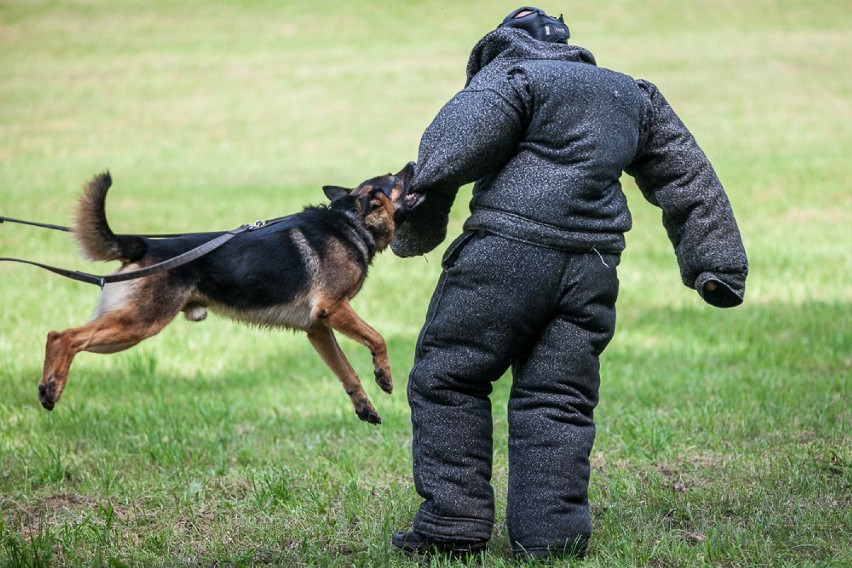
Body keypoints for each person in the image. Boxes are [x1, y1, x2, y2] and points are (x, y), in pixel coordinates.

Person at [389, 6, 748, 560]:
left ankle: (452, 524)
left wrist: (414, 223)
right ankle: (552, 537)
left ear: (500, 44)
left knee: (449, 378)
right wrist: (717, 265)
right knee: (558, 396)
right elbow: (686, 173)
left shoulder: (513, 75)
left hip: (505, 254)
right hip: (593, 266)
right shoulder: (633, 93)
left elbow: (454, 146)